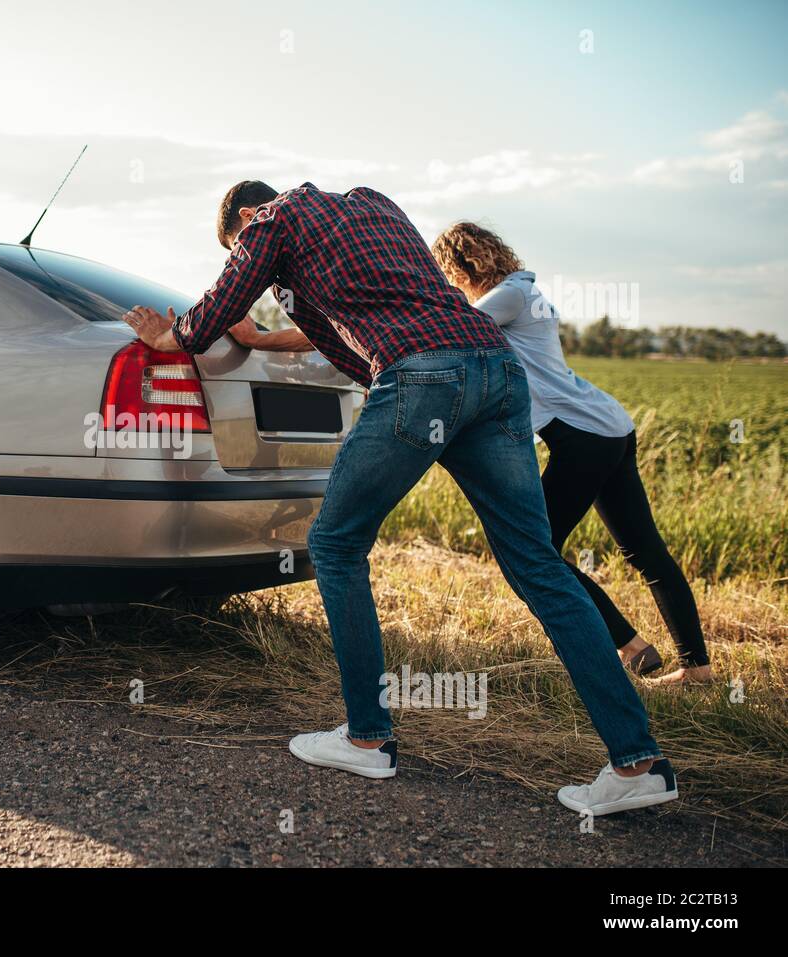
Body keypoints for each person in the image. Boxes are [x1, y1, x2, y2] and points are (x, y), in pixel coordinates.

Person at [122, 181, 677, 817]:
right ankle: (637, 762)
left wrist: (178, 337)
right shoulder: (372, 202)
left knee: (334, 543)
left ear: (247, 216)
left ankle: (366, 736)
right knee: (538, 564)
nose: (248, 249)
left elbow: (221, 303)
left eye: (238, 240)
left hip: (423, 373)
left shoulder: (272, 219)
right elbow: (348, 337)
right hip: (496, 370)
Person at [430, 223, 712, 685]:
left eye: (449, 274)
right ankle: (693, 665)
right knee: (643, 551)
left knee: (533, 548)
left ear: (460, 266)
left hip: (582, 434)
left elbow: (453, 331)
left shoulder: (509, 296)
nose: (452, 284)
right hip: (607, 426)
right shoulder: (524, 291)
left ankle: (631, 647)